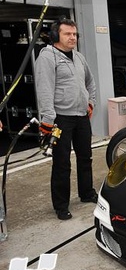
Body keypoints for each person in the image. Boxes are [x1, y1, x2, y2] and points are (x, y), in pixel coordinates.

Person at [35, 18, 98, 220]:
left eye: (74, 34)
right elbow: (44, 90)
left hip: (81, 117)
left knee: (85, 157)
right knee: (62, 163)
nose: (73, 38)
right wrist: (47, 119)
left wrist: (91, 102)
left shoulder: (78, 57)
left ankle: (86, 193)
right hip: (60, 119)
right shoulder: (47, 57)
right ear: (56, 36)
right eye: (67, 34)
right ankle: (61, 206)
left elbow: (90, 81)